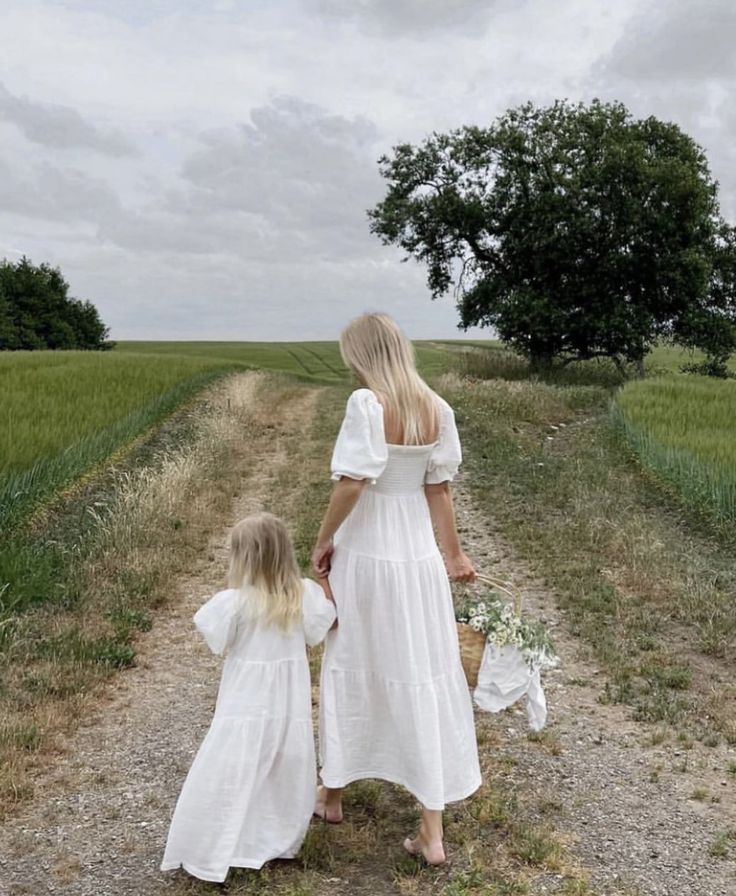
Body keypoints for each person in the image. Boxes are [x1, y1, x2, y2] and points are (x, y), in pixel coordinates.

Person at [312, 313, 481, 866]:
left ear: (363, 354)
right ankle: (431, 832)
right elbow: (439, 491)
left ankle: (331, 794)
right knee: (422, 667)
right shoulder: (435, 407)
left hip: (367, 553)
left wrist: (323, 540)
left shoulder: (367, 404)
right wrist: (453, 555)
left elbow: (353, 482)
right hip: (417, 559)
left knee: (354, 658)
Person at [161, 512, 336, 883]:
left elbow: (215, 638)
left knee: (234, 761)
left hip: (245, 698)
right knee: (282, 759)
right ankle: (274, 833)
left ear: (244, 559)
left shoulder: (235, 601)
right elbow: (326, 623)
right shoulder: (302, 594)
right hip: (288, 700)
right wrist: (325, 580)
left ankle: (220, 836)